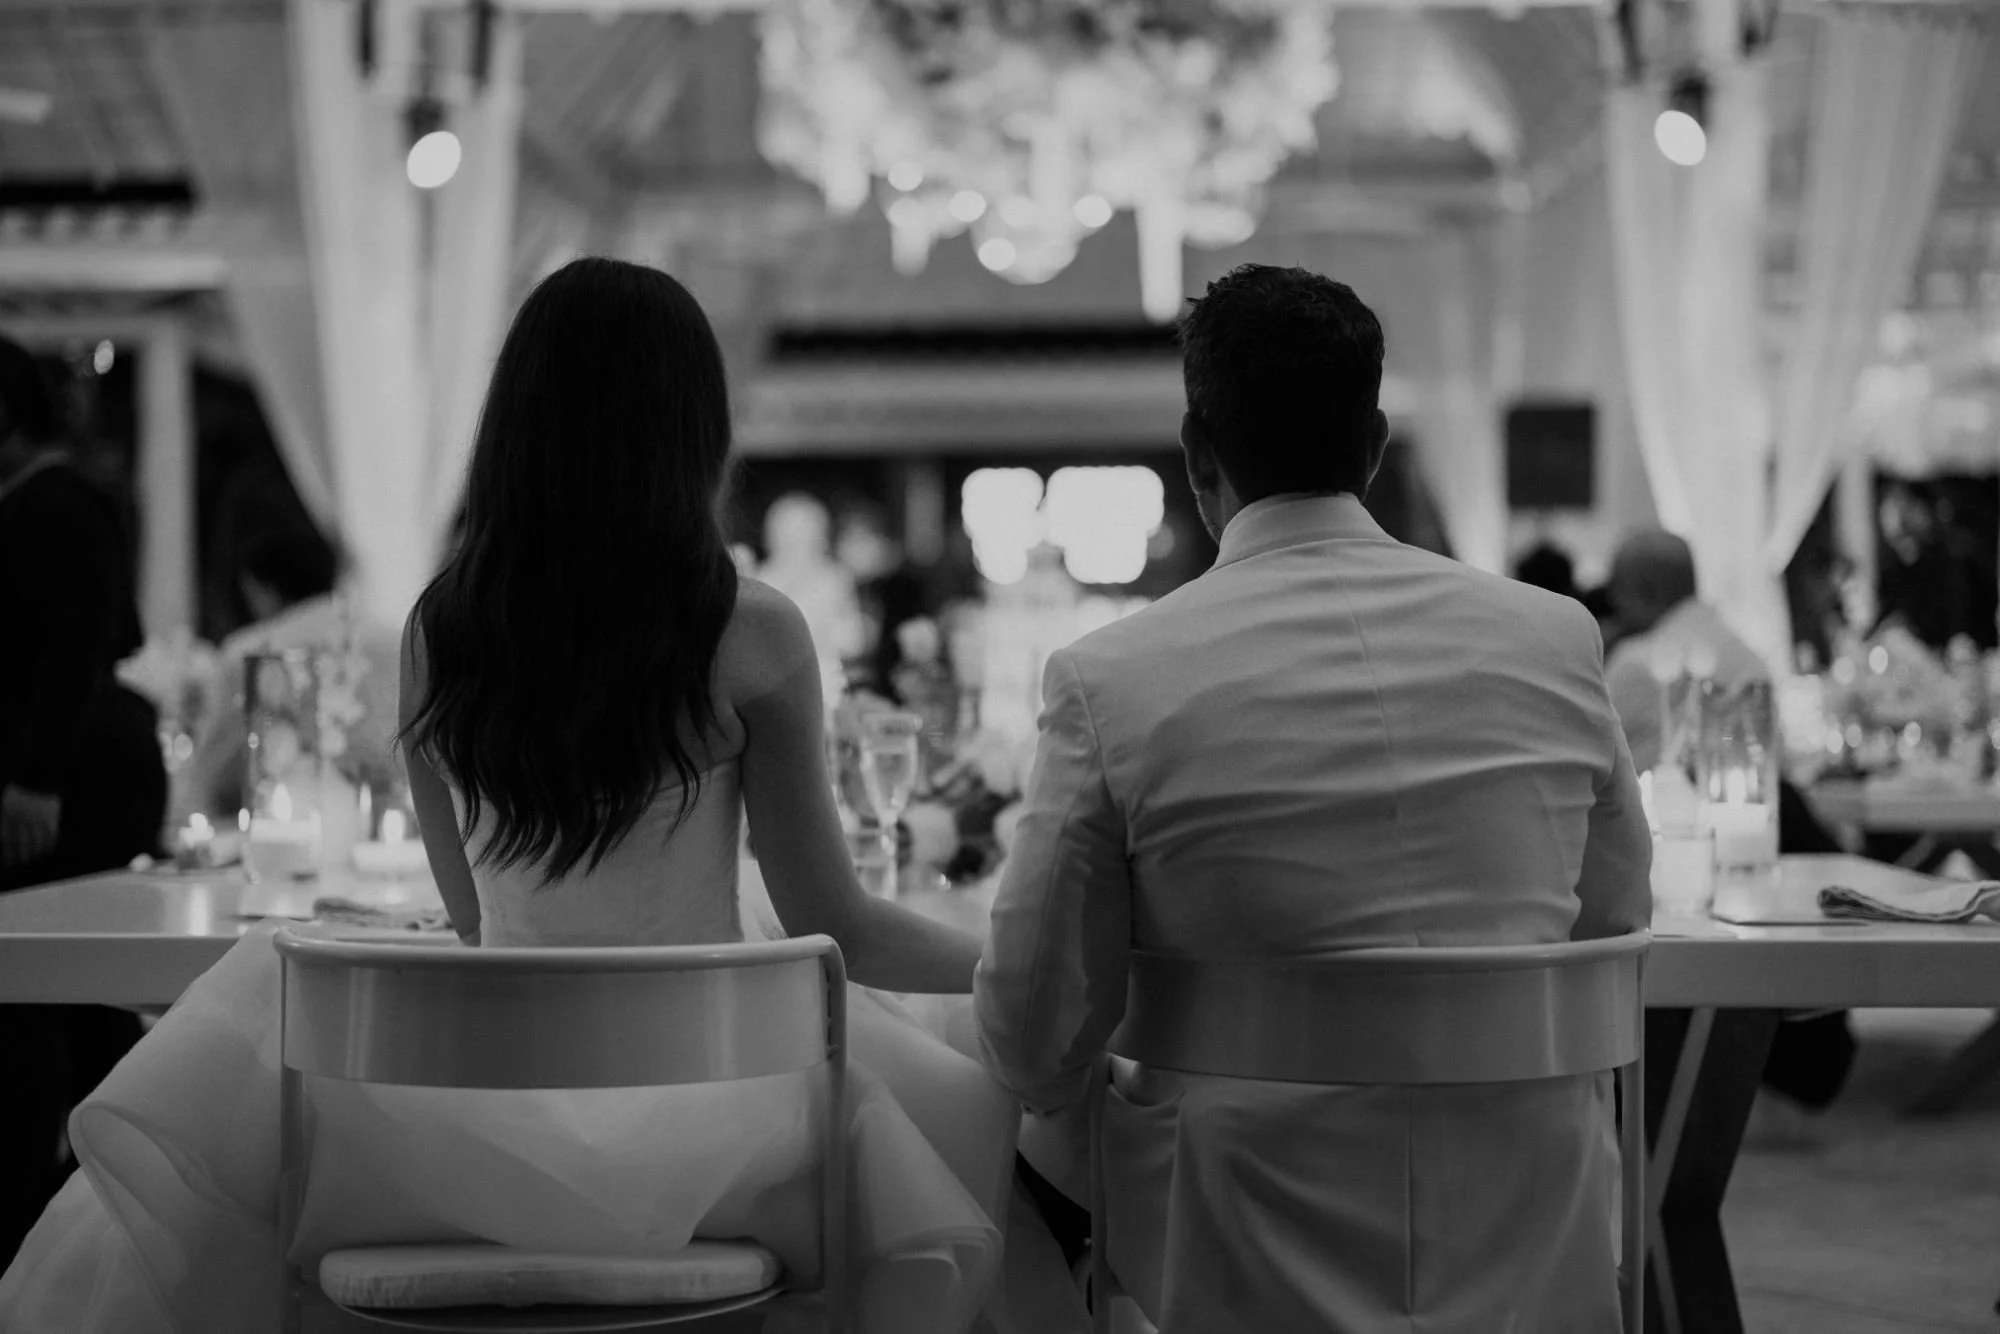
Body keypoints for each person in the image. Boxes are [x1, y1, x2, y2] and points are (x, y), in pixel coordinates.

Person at [0, 261, 1055, 1333]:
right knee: (958, 1099)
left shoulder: (437, 631)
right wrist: (1026, 957)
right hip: (710, 1134)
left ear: (515, 428)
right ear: (690, 429)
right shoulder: (751, 630)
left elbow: (470, 918)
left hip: (464, 1138)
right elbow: (843, 927)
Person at [975, 264, 1652, 1331]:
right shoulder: (1554, 635)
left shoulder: (1110, 677)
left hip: (1233, 1224)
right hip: (1529, 1198)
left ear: (1198, 455)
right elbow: (1612, 924)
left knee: (977, 1145)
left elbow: (1031, 1037)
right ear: (1374, 446)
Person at [0, 335, 164, 1264]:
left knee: (45, 983)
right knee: (68, 992)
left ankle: (57, 1196)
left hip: (71, 775)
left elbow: (73, 647)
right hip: (81, 765)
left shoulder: (54, 502)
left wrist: (35, 780)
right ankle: (91, 1188)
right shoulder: (60, 497)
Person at [1602, 529, 1858, 1116]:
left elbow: (1615, 795)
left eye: (1619, 594)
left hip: (1676, 884)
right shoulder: (1747, 651)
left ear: (1641, 592)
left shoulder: (1635, 666)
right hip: (1772, 872)